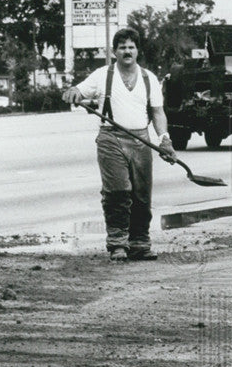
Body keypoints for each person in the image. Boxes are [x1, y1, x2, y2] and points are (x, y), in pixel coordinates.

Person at [62, 28, 175, 261]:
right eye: (122, 47)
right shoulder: (102, 75)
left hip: (141, 139)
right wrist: (73, 92)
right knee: (118, 192)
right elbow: (79, 90)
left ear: (137, 51)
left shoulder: (149, 78)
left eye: (131, 47)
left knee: (142, 194)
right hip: (110, 138)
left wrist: (164, 139)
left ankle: (140, 243)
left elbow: (157, 112)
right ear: (114, 52)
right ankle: (117, 243)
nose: (127, 51)